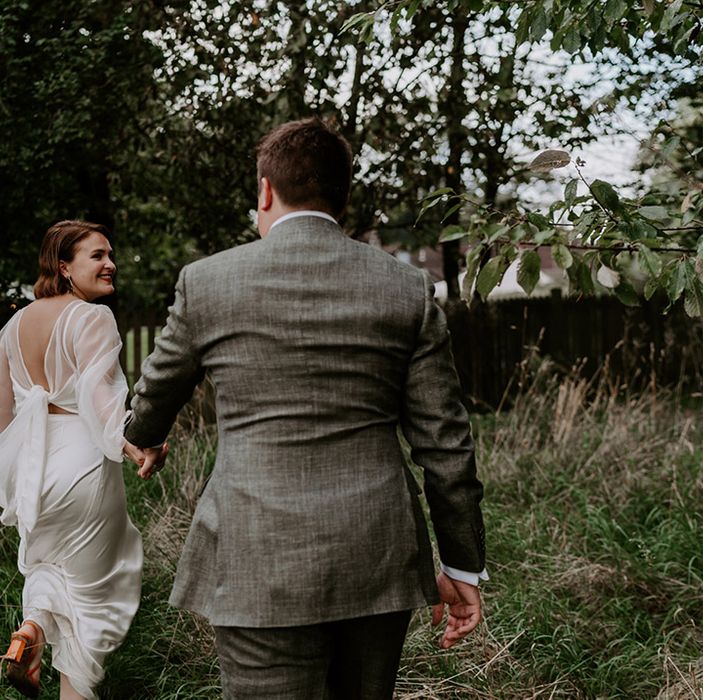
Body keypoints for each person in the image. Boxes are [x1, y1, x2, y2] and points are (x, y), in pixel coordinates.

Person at [124, 117, 487, 699]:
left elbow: (156, 390)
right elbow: (446, 444)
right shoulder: (405, 288)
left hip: (255, 556)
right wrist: (463, 563)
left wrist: (144, 433)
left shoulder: (209, 283)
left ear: (265, 191)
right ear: (342, 198)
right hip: (376, 555)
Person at [0, 221, 144, 700]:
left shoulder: (12, 326)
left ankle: (33, 630)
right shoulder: (91, 317)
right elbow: (101, 398)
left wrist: (15, 475)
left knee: (49, 568)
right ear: (64, 267)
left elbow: (3, 417)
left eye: (110, 255)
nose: (111, 264)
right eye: (97, 256)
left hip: (34, 473)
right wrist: (132, 443)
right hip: (83, 469)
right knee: (93, 600)